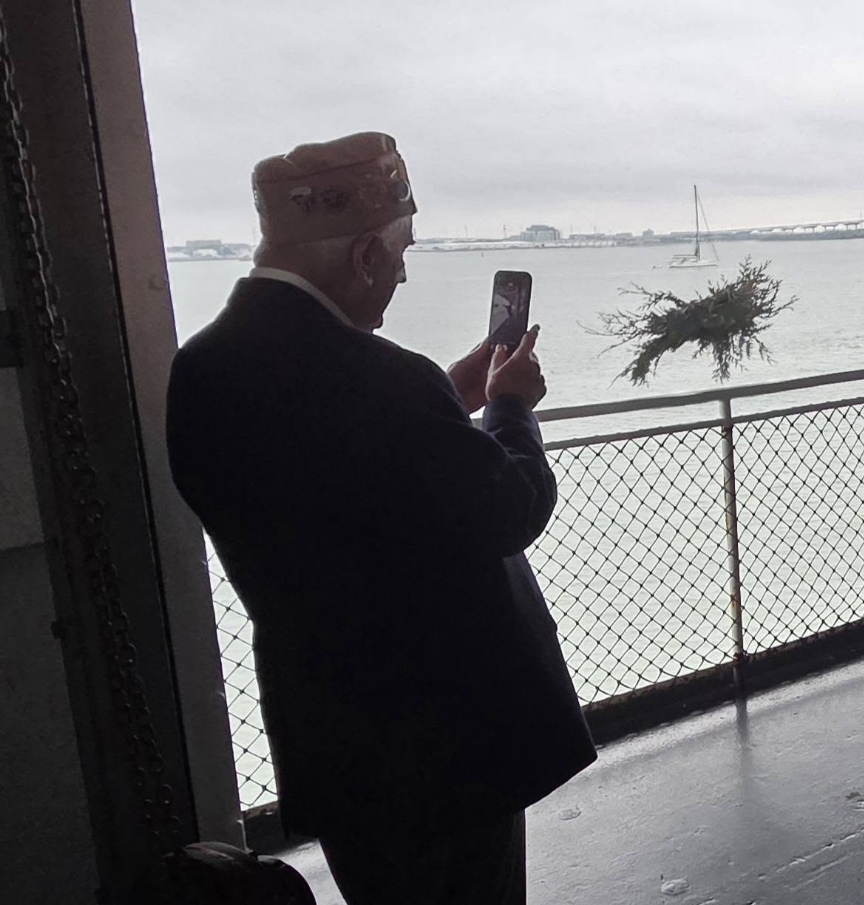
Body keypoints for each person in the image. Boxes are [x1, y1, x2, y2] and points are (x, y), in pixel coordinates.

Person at [166, 132, 595, 904]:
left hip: (329, 730)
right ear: (366, 254)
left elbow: (341, 475)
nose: (402, 272)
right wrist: (508, 405)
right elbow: (509, 506)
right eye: (400, 254)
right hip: (449, 741)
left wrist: (448, 397)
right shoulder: (388, 381)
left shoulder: (202, 368)